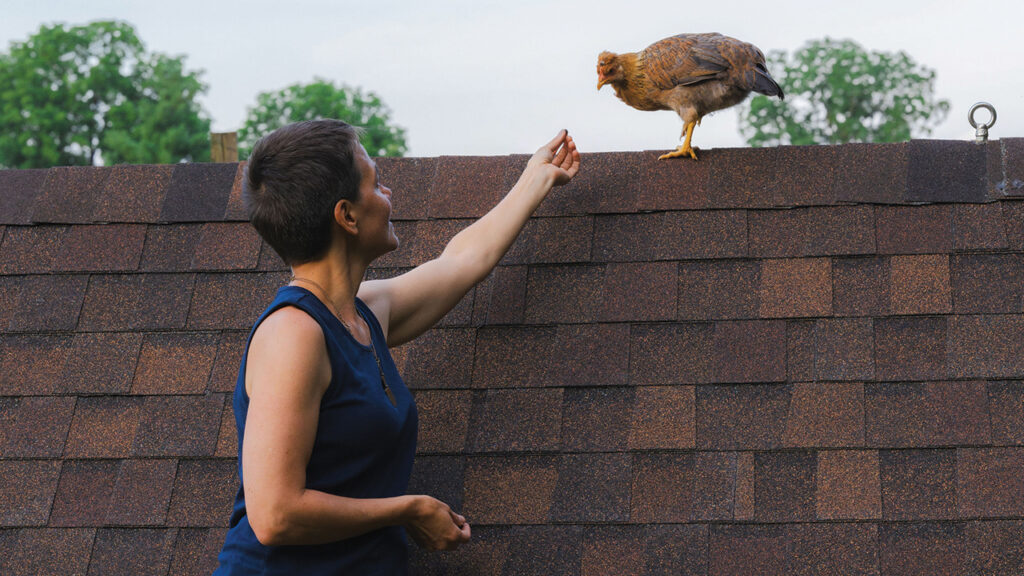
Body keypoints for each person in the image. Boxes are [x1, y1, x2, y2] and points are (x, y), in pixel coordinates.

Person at [214, 119, 579, 574]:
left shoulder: (359, 311)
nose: (388, 194)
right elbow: (274, 515)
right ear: (346, 215)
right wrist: (407, 510)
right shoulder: (294, 334)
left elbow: (462, 263)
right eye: (376, 183)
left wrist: (536, 178)